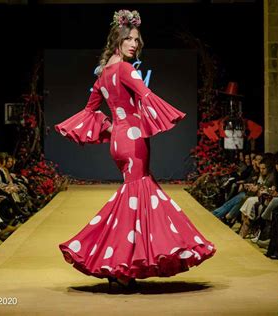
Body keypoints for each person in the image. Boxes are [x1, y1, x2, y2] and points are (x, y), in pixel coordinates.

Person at [55, 9, 216, 288]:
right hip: (133, 141)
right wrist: (167, 115)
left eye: (136, 40)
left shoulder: (103, 74)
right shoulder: (127, 70)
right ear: (117, 40)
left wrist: (113, 126)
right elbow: (146, 96)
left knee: (135, 198)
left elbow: (90, 110)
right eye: (128, 38)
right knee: (138, 197)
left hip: (119, 140)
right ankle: (117, 262)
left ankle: (119, 262)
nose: (133, 44)